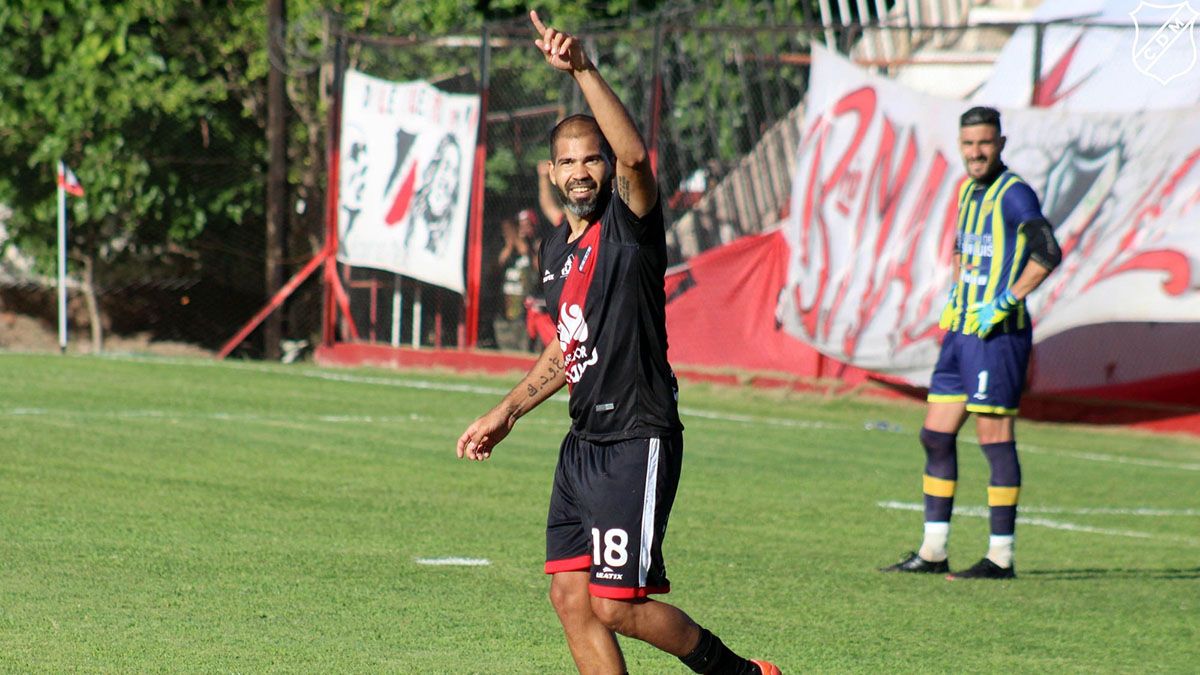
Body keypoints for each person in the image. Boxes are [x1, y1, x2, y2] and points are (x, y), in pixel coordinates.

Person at [456, 11, 781, 674]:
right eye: (568, 161)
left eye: (592, 158)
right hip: (583, 443)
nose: (581, 171)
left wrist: (582, 68)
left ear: (606, 166)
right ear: (551, 173)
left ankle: (744, 673)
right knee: (570, 597)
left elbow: (636, 157)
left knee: (615, 604)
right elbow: (566, 345)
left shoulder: (629, 225)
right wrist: (507, 411)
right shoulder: (555, 250)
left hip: (636, 433)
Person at [882, 106, 1062, 580]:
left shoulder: (1014, 192)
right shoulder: (968, 190)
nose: (976, 152)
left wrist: (1004, 301)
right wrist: (957, 294)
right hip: (962, 332)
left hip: (997, 335)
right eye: (969, 144)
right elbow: (964, 247)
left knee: (994, 439)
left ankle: (1000, 557)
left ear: (1000, 143)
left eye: (984, 143)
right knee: (935, 435)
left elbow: (1048, 251)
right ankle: (934, 550)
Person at [494, 214, 538, 351]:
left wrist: (517, 241)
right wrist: (509, 246)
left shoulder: (531, 245)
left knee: (522, 348)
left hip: (524, 308)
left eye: (510, 230)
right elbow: (496, 267)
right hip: (505, 306)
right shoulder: (504, 248)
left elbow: (535, 265)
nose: (507, 233)